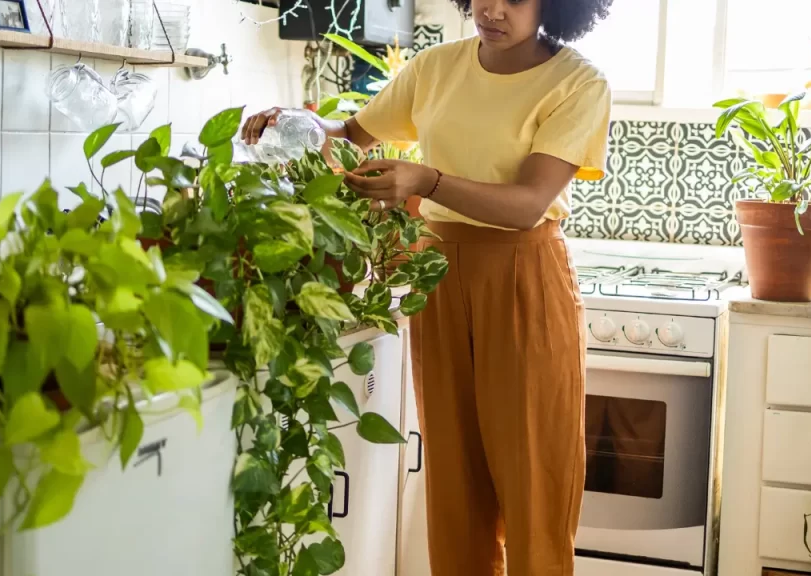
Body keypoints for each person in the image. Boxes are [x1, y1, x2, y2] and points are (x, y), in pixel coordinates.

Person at [242, 0, 612, 572]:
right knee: (454, 485)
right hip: (436, 273)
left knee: (533, 481)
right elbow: (349, 135)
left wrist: (428, 179)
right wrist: (297, 122)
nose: (491, 8)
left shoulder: (577, 83)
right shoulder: (435, 67)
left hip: (523, 278)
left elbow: (526, 205)